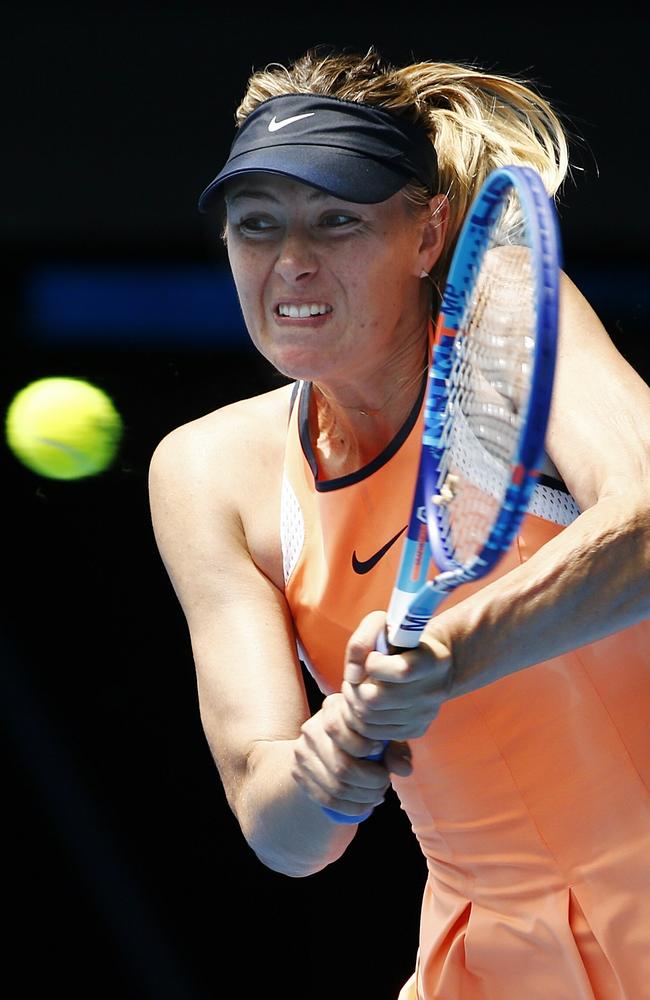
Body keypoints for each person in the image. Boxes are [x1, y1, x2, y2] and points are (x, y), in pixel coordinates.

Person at [148, 47, 650, 999]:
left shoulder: (512, 316)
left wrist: (449, 657)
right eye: (258, 225)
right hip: (490, 958)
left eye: (338, 220)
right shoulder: (209, 469)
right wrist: (335, 753)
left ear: (429, 235)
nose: (291, 261)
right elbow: (280, 832)